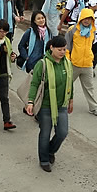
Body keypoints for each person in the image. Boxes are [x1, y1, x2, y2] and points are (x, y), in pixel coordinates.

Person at [25, 36, 74, 172]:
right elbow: (34, 84)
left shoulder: (67, 63)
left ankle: (50, 151)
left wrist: (71, 99)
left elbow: (69, 83)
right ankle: (44, 159)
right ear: (51, 48)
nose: (62, 52)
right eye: (59, 49)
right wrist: (30, 102)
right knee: (45, 133)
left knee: (62, 132)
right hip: (46, 106)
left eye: (64, 49)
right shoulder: (43, 64)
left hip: (62, 105)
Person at [65, 8, 97, 115]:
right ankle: (63, 104)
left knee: (89, 87)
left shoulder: (92, 31)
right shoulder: (72, 30)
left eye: (89, 19)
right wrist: (68, 60)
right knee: (67, 85)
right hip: (74, 63)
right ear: (81, 18)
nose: (87, 21)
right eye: (85, 18)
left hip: (87, 64)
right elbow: (67, 45)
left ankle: (93, 108)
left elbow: (93, 46)